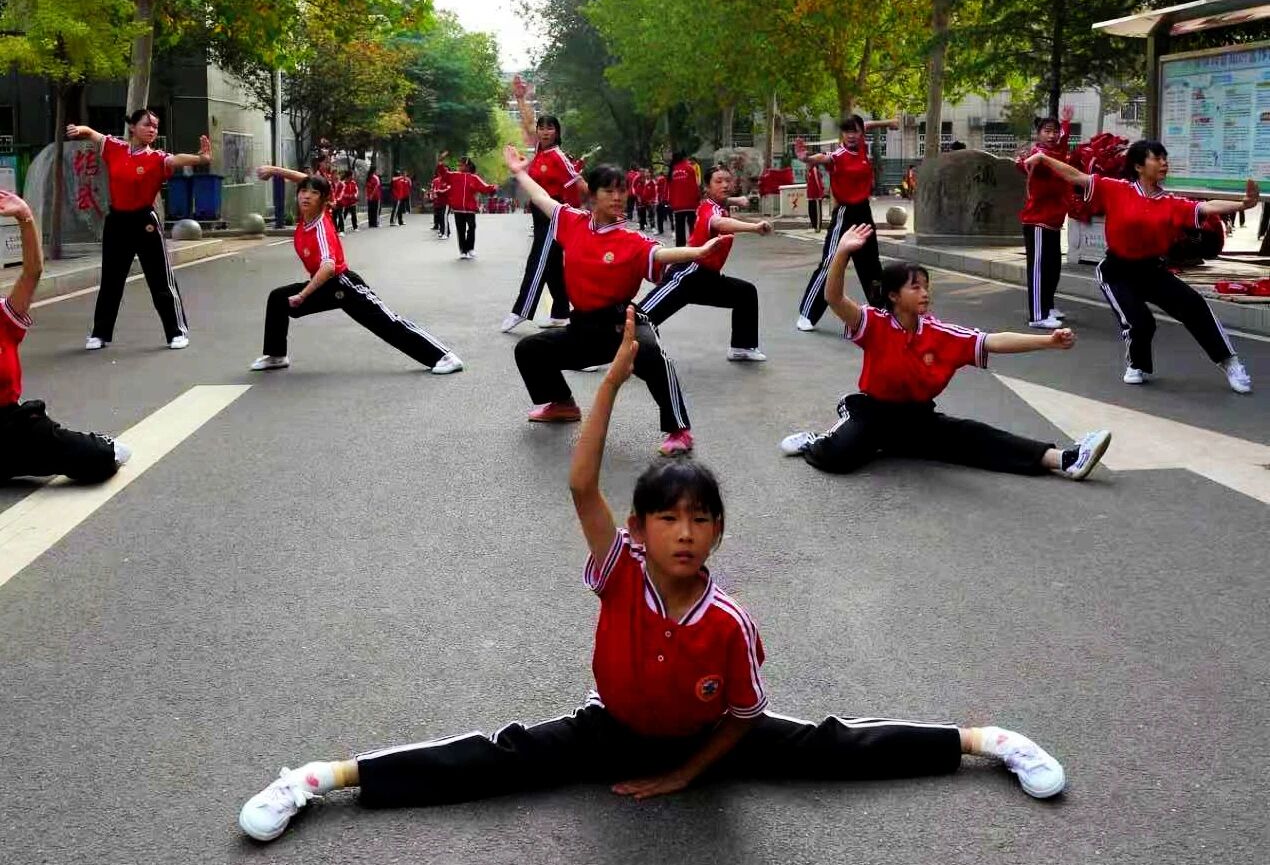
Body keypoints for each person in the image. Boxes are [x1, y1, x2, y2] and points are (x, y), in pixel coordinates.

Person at [237, 320, 1068, 843]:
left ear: (717, 532)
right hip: (613, 727)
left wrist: (689, 773)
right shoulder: (621, 571)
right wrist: (610, 380)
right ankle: (321, 777)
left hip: (705, 739)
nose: (683, 531)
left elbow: (743, 716)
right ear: (638, 529)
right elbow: (581, 485)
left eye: (699, 518)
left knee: (833, 746)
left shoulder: (728, 621)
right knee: (498, 757)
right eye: (666, 517)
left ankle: (985, 741)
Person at [781, 224, 1113, 479]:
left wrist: (1047, 341)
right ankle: (815, 440)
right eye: (915, 287)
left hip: (917, 418)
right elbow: (834, 298)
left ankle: (1066, 459)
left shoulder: (940, 333)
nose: (925, 293)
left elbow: (992, 341)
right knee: (837, 457)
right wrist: (841, 253)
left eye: (926, 286)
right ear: (894, 296)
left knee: (974, 437)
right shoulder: (874, 323)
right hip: (874, 413)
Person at [505, 146, 721, 456]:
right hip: (583, 328)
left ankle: (679, 430)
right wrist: (519, 173)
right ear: (592, 195)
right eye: (609, 191)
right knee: (529, 350)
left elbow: (660, 254)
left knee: (653, 357)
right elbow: (542, 198)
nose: (618, 197)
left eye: (622, 191)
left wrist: (698, 252)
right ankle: (563, 404)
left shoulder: (632, 240)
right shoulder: (572, 222)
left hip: (622, 325)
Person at [1025, 140, 1255, 393]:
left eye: (1165, 158)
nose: (1164, 163)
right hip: (1117, 271)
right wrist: (1044, 159)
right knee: (1140, 322)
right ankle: (1137, 365)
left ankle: (1230, 362)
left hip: (1152, 270)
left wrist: (1242, 205)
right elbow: (1076, 176)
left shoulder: (1170, 202)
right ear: (1138, 166)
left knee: (1194, 306)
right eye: (1157, 158)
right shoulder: (1115, 189)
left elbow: (1206, 207)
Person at [248, 166, 463, 375]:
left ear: (323, 200)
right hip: (324, 285)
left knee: (386, 322)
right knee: (278, 298)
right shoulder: (306, 217)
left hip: (343, 284)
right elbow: (307, 180)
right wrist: (275, 171)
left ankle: (444, 357)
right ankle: (276, 355)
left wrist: (303, 295)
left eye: (314, 193)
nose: (306, 196)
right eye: (303, 191)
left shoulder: (321, 224)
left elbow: (328, 267)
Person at [0, 190, 131, 482]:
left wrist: (25, 218)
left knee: (100, 457)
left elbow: (32, 272)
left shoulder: (3, 318)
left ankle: (95, 443)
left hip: (10, 428)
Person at [66, 110, 210, 351]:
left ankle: (176, 332)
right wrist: (80, 129)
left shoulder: (157, 158)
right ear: (132, 127)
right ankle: (100, 333)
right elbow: (93, 134)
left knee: (160, 279)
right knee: (111, 281)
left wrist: (201, 158)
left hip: (144, 222)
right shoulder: (115, 148)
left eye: (155, 126)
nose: (152, 130)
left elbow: (176, 160)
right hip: (117, 222)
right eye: (147, 125)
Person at [639, 165, 772, 362]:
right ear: (707, 188)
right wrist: (754, 227)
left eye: (728, 181)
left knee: (745, 293)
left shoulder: (718, 205)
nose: (725, 185)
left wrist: (736, 200)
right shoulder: (710, 209)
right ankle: (598, 351)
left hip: (708, 278)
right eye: (718, 181)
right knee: (640, 319)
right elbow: (719, 223)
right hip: (687, 275)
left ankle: (742, 347)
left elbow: (724, 203)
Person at [793, 115, 891, 330]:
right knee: (831, 262)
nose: (851, 136)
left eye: (855, 131)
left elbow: (868, 124)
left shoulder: (862, 146)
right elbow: (824, 158)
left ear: (861, 133)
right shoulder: (839, 155)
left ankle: (883, 312)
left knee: (872, 265)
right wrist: (806, 158)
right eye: (847, 132)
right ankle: (807, 314)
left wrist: (888, 123)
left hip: (864, 212)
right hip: (845, 214)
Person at [501, 76, 582, 333]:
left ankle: (521, 311)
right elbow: (527, 123)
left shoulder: (558, 156)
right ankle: (561, 313)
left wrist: (601, 206)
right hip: (539, 215)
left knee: (537, 261)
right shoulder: (540, 151)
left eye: (550, 128)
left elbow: (579, 183)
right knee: (553, 266)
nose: (545, 132)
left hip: (553, 215)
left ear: (557, 132)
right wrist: (521, 99)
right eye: (542, 128)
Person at [1015, 109, 1075, 329]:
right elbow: (1030, 162)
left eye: (1055, 131)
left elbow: (1061, 147)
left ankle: (1047, 306)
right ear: (1038, 134)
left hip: (1053, 222)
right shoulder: (1039, 154)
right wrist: (1025, 161)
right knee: (1039, 269)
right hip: (1038, 222)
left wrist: (1066, 123)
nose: (1052, 135)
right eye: (1047, 131)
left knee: (1052, 267)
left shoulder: (1054, 153)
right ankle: (1037, 316)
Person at [448, 157, 497, 260]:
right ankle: (463, 251)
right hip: (458, 208)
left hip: (470, 208)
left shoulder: (474, 178)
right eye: (459, 165)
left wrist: (492, 188)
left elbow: (484, 187)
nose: (459, 167)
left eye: (461, 165)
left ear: (467, 166)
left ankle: (470, 248)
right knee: (460, 230)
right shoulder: (454, 176)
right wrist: (440, 163)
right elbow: (444, 175)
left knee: (472, 227)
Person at [668, 150, 701, 248]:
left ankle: (680, 249)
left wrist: (671, 202)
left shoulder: (672, 171)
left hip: (677, 205)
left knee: (679, 229)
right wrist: (697, 198)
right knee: (692, 227)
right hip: (690, 204)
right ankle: (694, 245)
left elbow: (670, 189)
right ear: (683, 157)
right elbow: (694, 186)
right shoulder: (690, 168)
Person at [430, 159, 452, 239]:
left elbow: (448, 189)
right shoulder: (436, 180)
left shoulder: (449, 180)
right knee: (440, 217)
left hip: (447, 202)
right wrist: (432, 195)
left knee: (444, 216)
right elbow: (433, 189)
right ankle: (443, 231)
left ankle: (446, 233)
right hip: (439, 202)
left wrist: (440, 191)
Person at [805, 161, 826, 233]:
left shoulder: (814, 170)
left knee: (816, 212)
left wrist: (820, 193)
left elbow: (818, 182)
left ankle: (817, 227)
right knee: (811, 211)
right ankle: (814, 226)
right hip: (810, 195)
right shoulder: (809, 171)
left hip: (816, 196)